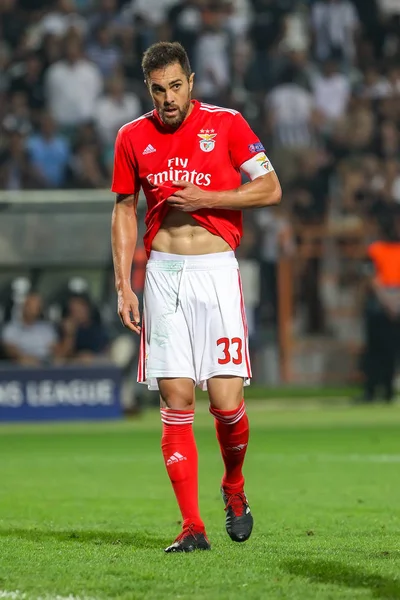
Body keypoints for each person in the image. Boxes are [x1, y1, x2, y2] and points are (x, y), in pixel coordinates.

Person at [111, 41, 281, 553]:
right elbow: (123, 210)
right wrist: (124, 283)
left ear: (191, 82)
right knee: (176, 400)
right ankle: (192, 526)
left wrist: (211, 198)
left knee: (227, 405)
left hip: (215, 273)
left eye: (176, 86)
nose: (168, 98)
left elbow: (270, 187)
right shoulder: (131, 137)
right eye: (158, 89)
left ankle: (233, 488)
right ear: (149, 89)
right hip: (162, 276)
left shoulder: (227, 124)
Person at [361, 215, 400, 403]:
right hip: (379, 303)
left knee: (391, 350)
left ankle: (387, 391)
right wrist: (388, 302)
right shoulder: (375, 249)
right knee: (374, 349)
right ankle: (370, 390)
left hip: (396, 301)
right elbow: (371, 277)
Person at [1, 292, 58, 365]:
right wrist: (24, 358)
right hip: (20, 368)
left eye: (37, 306)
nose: (34, 309)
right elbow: (10, 350)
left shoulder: (46, 329)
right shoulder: (11, 328)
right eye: (32, 306)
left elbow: (55, 350)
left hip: (45, 366)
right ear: (24, 306)